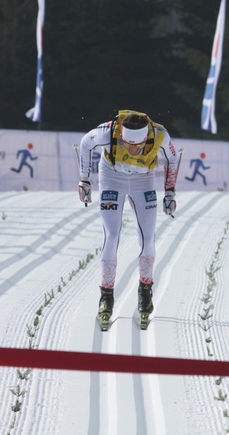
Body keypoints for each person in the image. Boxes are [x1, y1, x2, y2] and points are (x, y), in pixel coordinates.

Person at [76, 109, 180, 328]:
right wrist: (84, 180)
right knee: (112, 235)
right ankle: (106, 297)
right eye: (128, 145)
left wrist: (170, 192)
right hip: (112, 176)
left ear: (146, 137)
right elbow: (85, 143)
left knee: (148, 238)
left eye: (138, 146)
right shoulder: (107, 131)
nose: (133, 150)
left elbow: (173, 157)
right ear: (121, 135)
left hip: (143, 180)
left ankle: (145, 295)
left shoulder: (159, 134)